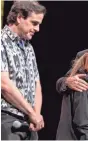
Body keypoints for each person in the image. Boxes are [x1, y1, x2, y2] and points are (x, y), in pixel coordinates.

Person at [1, 1, 46, 140]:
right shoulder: (2, 42)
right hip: (7, 120)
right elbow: (4, 85)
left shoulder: (28, 47)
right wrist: (31, 113)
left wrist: (36, 115)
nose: (37, 29)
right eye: (34, 23)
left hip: (29, 122)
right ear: (19, 17)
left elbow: (36, 84)